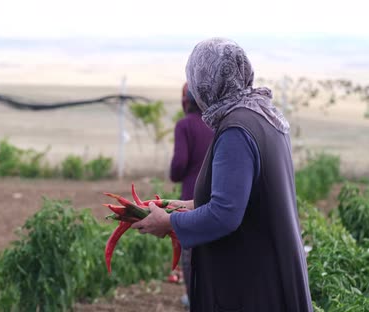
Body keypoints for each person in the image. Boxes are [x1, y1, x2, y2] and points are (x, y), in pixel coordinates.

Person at [131, 38, 313, 311]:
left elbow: (225, 214)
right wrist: (179, 207)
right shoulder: (262, 114)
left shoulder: (236, 129)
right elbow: (244, 199)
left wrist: (170, 223)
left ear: (206, 82)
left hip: (252, 287)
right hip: (270, 273)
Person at [169, 82, 213, 310]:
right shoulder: (217, 124)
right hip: (215, 198)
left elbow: (178, 165)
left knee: (190, 253)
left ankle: (194, 299)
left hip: (190, 198)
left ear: (186, 101)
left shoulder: (185, 126)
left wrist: (176, 174)